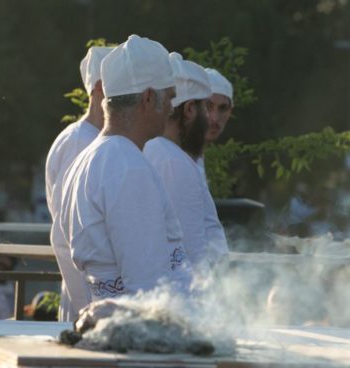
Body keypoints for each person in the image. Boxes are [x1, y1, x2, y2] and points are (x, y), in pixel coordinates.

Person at [59, 35, 192, 302]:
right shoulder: (127, 165)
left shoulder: (91, 157)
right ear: (148, 98)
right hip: (140, 336)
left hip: (117, 327)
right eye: (169, 98)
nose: (171, 108)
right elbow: (146, 287)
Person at [144, 53, 228, 272]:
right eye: (205, 108)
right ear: (190, 109)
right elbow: (191, 253)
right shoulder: (174, 162)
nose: (210, 119)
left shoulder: (158, 150)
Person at [45, 46, 112, 321]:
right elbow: (65, 237)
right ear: (99, 88)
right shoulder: (80, 142)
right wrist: (89, 308)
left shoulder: (91, 139)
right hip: (88, 303)